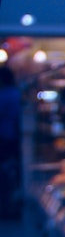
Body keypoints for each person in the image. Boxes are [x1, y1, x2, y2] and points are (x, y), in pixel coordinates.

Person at [0, 66, 21, 220]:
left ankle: (6, 204)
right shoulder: (16, 93)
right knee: (11, 170)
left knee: (5, 171)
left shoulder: (4, 94)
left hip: (5, 137)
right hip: (13, 137)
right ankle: (10, 203)